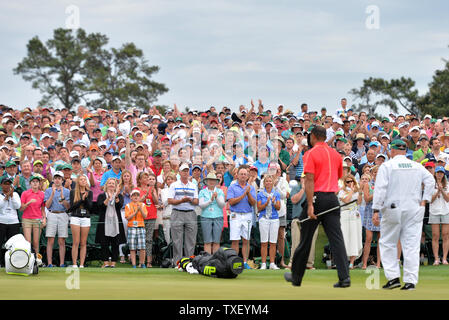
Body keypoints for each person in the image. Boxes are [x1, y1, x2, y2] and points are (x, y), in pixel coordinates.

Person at [284, 126, 350, 288]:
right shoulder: (335, 154)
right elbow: (341, 178)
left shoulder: (310, 153)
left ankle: (296, 277)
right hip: (332, 199)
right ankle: (344, 278)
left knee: (305, 240)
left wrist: (311, 205)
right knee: (337, 239)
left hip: (316, 197)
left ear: (313, 136)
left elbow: (310, 180)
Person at [372, 139, 434, 290]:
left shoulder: (387, 165)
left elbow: (380, 189)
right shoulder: (416, 166)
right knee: (411, 245)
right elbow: (431, 181)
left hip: (393, 208)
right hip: (414, 209)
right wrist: (425, 200)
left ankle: (393, 278)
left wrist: (375, 210)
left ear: (392, 151)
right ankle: (410, 281)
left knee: (388, 243)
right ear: (405, 151)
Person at [168, 163, 199, 267]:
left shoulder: (193, 185)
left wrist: (190, 200)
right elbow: (170, 200)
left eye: (187, 171)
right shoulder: (174, 185)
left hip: (190, 213)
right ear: (179, 173)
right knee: (177, 240)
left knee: (190, 240)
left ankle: (189, 264)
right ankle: (178, 264)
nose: (185, 172)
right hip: (177, 212)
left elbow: (196, 201)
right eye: (183, 171)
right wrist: (181, 201)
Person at [226, 165, 257, 269]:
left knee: (246, 240)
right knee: (235, 240)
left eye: (245, 174)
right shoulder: (232, 187)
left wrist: (248, 194)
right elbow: (231, 202)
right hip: (236, 215)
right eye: (241, 174)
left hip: (247, 214)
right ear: (237, 176)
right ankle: (234, 261)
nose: (243, 176)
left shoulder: (251, 188)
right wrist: (244, 194)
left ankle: (244, 262)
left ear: (247, 176)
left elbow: (253, 203)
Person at [96, 178, 126, 268]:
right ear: (106, 185)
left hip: (115, 222)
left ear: (116, 186)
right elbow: (100, 207)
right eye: (109, 183)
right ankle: (105, 262)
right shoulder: (101, 196)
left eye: (113, 183)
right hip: (104, 222)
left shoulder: (119, 196)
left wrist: (115, 196)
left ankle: (113, 262)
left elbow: (119, 205)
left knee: (115, 243)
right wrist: (108, 198)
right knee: (104, 243)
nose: (111, 185)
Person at [44, 171, 70, 267]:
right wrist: (52, 194)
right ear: (53, 179)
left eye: (59, 178)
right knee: (50, 239)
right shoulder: (48, 190)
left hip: (63, 214)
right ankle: (50, 263)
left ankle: (62, 263)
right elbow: (47, 205)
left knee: (61, 240)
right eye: (55, 178)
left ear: (62, 180)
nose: (57, 180)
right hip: (52, 214)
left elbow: (68, 207)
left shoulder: (67, 191)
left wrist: (63, 198)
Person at [338, 174, 363, 269]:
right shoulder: (342, 191)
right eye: (347, 182)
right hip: (345, 214)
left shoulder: (356, 191)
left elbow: (359, 202)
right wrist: (352, 191)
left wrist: (360, 192)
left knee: (354, 237)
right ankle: (343, 260)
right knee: (344, 237)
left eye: (351, 181)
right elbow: (346, 200)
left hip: (355, 216)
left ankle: (352, 262)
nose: (350, 183)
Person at [68, 174, 93, 268]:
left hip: (86, 217)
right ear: (78, 181)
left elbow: (90, 207)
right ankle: (74, 264)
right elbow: (72, 207)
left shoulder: (89, 192)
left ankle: (82, 264)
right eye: (81, 179)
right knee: (76, 242)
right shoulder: (73, 192)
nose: (83, 181)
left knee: (83, 242)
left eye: (85, 179)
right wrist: (81, 200)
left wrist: (85, 199)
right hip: (75, 217)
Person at [257, 174, 281, 270]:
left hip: (274, 219)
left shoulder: (276, 194)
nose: (268, 183)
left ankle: (272, 263)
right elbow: (259, 208)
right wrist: (266, 203)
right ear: (264, 183)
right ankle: (263, 263)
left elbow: (278, 208)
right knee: (264, 242)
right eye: (266, 181)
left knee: (273, 242)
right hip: (263, 219)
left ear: (272, 183)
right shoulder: (260, 194)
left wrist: (274, 202)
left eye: (270, 181)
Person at [198, 172, 225, 254]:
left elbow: (222, 205)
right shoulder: (202, 192)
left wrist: (216, 198)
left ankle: (216, 261)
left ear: (216, 181)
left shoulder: (219, 191)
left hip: (218, 216)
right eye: (210, 180)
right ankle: (208, 260)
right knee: (207, 241)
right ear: (206, 181)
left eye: (213, 180)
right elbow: (201, 205)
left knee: (217, 241)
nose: (211, 182)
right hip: (206, 217)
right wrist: (210, 200)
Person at [136, 171, 159, 268]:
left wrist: (153, 193)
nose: (147, 179)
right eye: (145, 178)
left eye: (147, 178)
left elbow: (156, 202)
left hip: (151, 215)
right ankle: (141, 261)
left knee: (149, 239)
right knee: (140, 239)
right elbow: (137, 201)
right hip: (141, 216)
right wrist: (145, 195)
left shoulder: (153, 189)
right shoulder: (137, 189)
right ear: (140, 180)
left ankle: (149, 261)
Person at [20, 175, 46, 256]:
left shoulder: (42, 194)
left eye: (37, 182)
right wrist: (29, 202)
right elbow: (21, 208)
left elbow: (43, 209)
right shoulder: (25, 193)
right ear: (30, 183)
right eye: (33, 182)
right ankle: (28, 258)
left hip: (37, 219)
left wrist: (44, 218)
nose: (35, 183)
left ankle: (36, 260)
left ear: (39, 184)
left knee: (36, 242)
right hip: (26, 219)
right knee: (27, 241)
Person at [429, 166, 449, 265]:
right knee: (435, 235)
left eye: (441, 172)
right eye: (438, 173)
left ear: (443, 174)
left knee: (446, 235)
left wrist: (442, 190)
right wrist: (437, 191)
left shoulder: (448, 184)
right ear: (435, 174)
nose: (439, 174)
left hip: (445, 211)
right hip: (434, 211)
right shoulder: (431, 184)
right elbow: (430, 200)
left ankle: (444, 258)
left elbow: (447, 199)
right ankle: (436, 259)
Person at [0, 177, 21, 267]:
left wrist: (11, 196)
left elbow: (17, 206)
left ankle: (11, 264)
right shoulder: (0, 195)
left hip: (13, 222)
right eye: (5, 184)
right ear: (1, 185)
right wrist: (7, 196)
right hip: (1, 221)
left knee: (13, 244)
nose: (7, 186)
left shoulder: (15, 194)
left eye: (9, 184)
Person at [125, 189, 148, 268]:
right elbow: (128, 217)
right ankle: (134, 264)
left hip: (141, 226)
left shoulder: (143, 205)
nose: (135, 197)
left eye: (137, 195)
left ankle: (142, 263)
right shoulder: (128, 205)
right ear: (131, 197)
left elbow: (145, 216)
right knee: (132, 247)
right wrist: (135, 212)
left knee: (142, 247)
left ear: (139, 197)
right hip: (131, 227)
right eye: (134, 195)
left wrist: (140, 209)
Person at [117, 169, 135, 264]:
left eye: (128, 176)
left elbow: (135, 198)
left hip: (131, 211)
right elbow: (116, 198)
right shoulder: (119, 187)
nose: (126, 178)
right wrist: (121, 193)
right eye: (125, 176)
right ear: (122, 177)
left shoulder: (133, 187)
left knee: (130, 232)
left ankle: (130, 254)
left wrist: (129, 191)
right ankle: (122, 254)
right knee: (122, 233)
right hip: (122, 211)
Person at [160, 173, 176, 244]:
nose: (170, 181)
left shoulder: (178, 190)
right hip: (167, 216)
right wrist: (172, 199)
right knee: (167, 237)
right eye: (168, 179)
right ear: (166, 181)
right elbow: (164, 202)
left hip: (176, 215)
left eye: (172, 179)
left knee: (176, 237)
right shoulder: (163, 191)